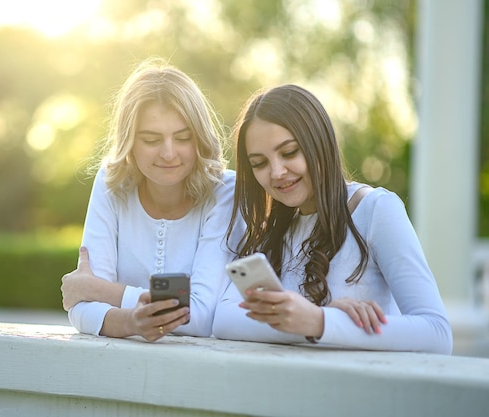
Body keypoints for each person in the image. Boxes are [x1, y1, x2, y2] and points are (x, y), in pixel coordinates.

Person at [212, 84, 453, 354]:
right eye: (259, 163)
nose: (277, 172)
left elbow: (436, 333)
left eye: (289, 152)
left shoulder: (376, 210)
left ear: (318, 142)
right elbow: (223, 321)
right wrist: (312, 323)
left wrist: (320, 322)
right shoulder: (272, 231)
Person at [60, 58, 241, 341]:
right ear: (129, 141)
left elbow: (202, 316)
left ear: (200, 138)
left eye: (182, 138)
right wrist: (131, 322)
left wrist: (101, 291)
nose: (169, 153)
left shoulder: (225, 190)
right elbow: (81, 310)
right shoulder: (110, 182)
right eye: (152, 140)